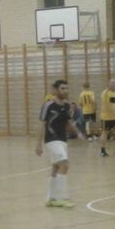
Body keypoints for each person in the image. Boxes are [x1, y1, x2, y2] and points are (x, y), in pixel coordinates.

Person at [36, 79, 83, 208]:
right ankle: (61, 198)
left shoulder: (67, 106)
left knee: (56, 167)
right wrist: (38, 144)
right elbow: (41, 124)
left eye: (66, 88)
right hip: (52, 140)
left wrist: (78, 133)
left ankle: (50, 198)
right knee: (65, 165)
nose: (65, 91)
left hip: (62, 140)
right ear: (56, 90)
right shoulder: (48, 105)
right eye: (62, 88)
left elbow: (69, 122)